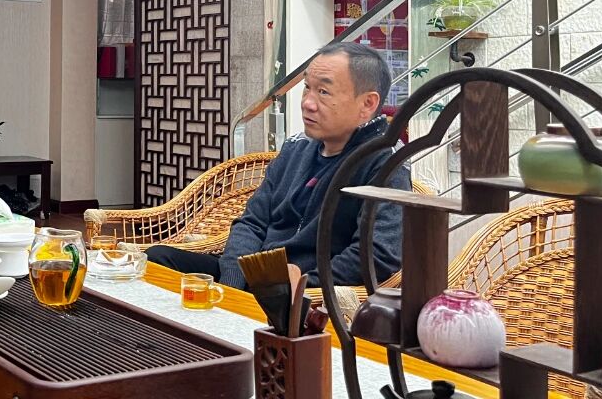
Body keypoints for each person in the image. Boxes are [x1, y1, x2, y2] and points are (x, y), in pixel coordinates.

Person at [147, 42, 410, 289]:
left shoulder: (386, 162)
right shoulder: (296, 147)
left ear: (367, 103)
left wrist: (299, 286)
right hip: (253, 276)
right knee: (157, 259)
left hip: (303, 290)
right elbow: (252, 223)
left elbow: (377, 254)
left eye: (323, 92)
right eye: (307, 87)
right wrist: (233, 283)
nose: (307, 102)